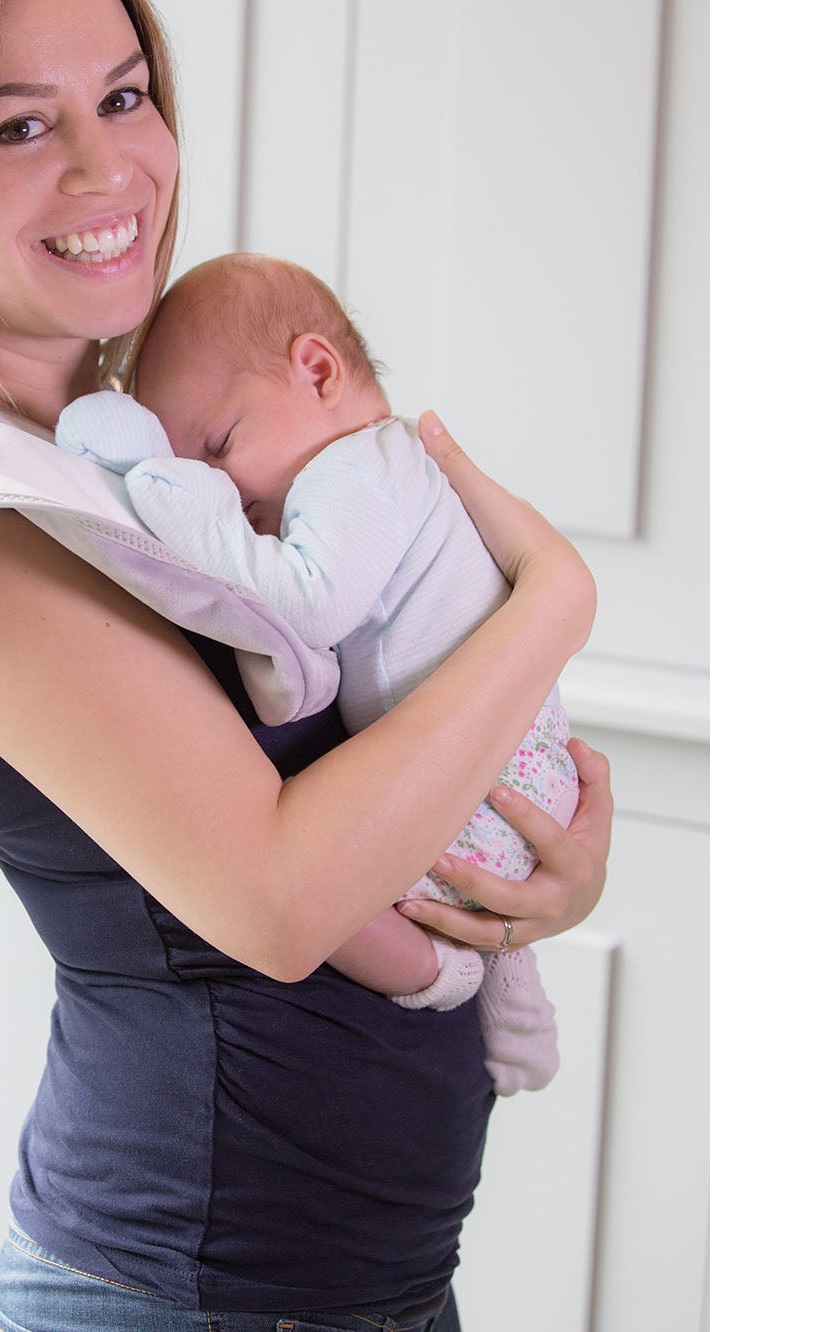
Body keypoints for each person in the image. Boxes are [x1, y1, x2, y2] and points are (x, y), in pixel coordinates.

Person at [0, 0, 611, 1330]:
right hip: (192, 1292)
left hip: (353, 1283)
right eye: (20, 126)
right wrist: (556, 606)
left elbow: (384, 716)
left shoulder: (134, 441)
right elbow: (276, 897)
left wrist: (534, 886)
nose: (110, 170)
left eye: (127, 97)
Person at [58, 253, 578, 1096]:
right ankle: (515, 997)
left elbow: (304, 606)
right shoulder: (387, 473)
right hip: (517, 776)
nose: (226, 484)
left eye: (221, 445)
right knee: (473, 901)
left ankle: (444, 977)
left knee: (333, 897)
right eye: (200, 463)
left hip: (491, 789)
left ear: (318, 371)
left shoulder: (360, 469)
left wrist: (158, 480)